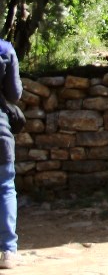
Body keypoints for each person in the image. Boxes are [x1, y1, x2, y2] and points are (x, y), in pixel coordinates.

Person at [0, 39, 21, 269]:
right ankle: (8, 251)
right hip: (0, 131)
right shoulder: (5, 50)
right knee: (5, 187)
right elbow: (14, 94)